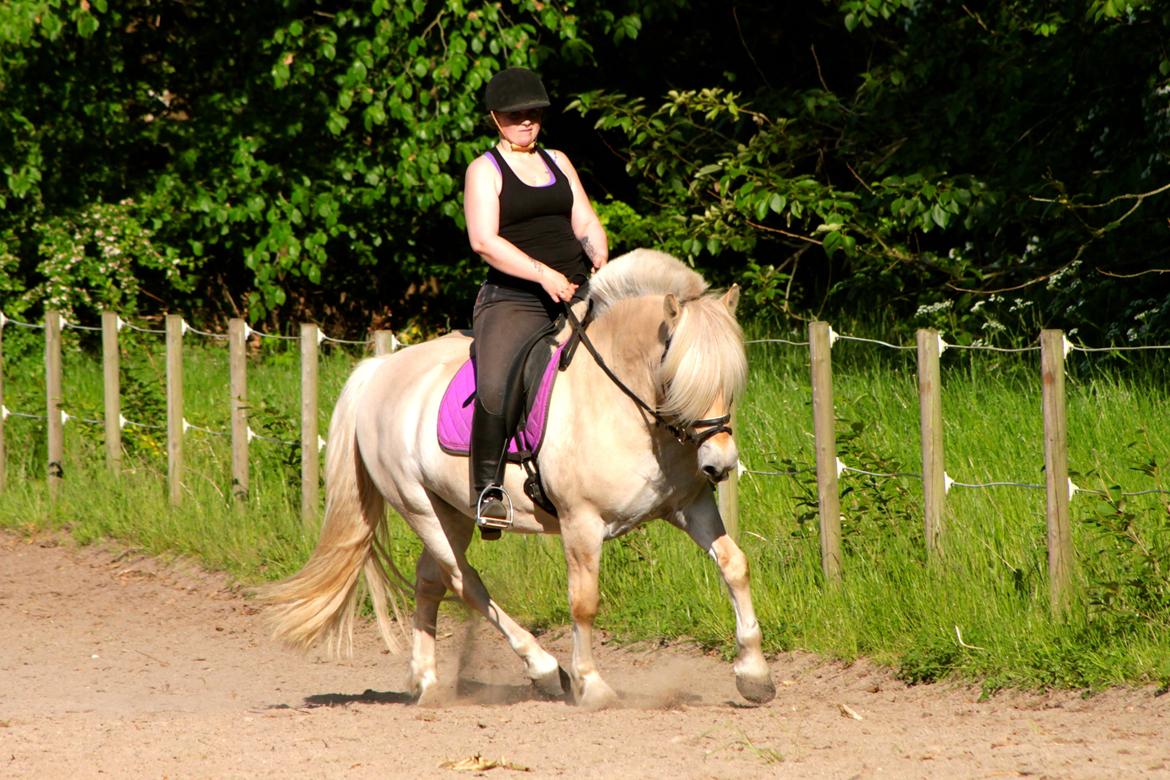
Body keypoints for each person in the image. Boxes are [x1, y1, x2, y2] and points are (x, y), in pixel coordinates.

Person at [463, 66, 609, 537]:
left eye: (532, 113)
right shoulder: (484, 170)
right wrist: (543, 275)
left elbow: (583, 219)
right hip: (516, 298)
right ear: (494, 118)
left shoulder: (559, 161)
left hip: (577, 289)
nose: (525, 121)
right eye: (514, 114)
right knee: (497, 382)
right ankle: (487, 490)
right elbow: (484, 241)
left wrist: (599, 254)